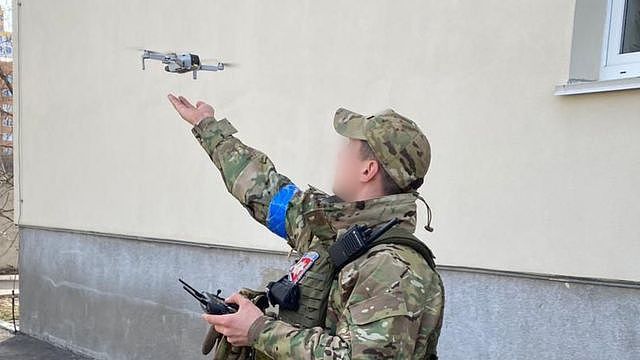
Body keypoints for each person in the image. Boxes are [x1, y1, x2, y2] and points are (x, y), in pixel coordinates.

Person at [168, 94, 445, 359]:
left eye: (349, 149)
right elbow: (264, 190)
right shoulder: (330, 229)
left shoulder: (392, 267)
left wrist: (257, 329)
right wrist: (208, 126)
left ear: (367, 170)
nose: (339, 157)